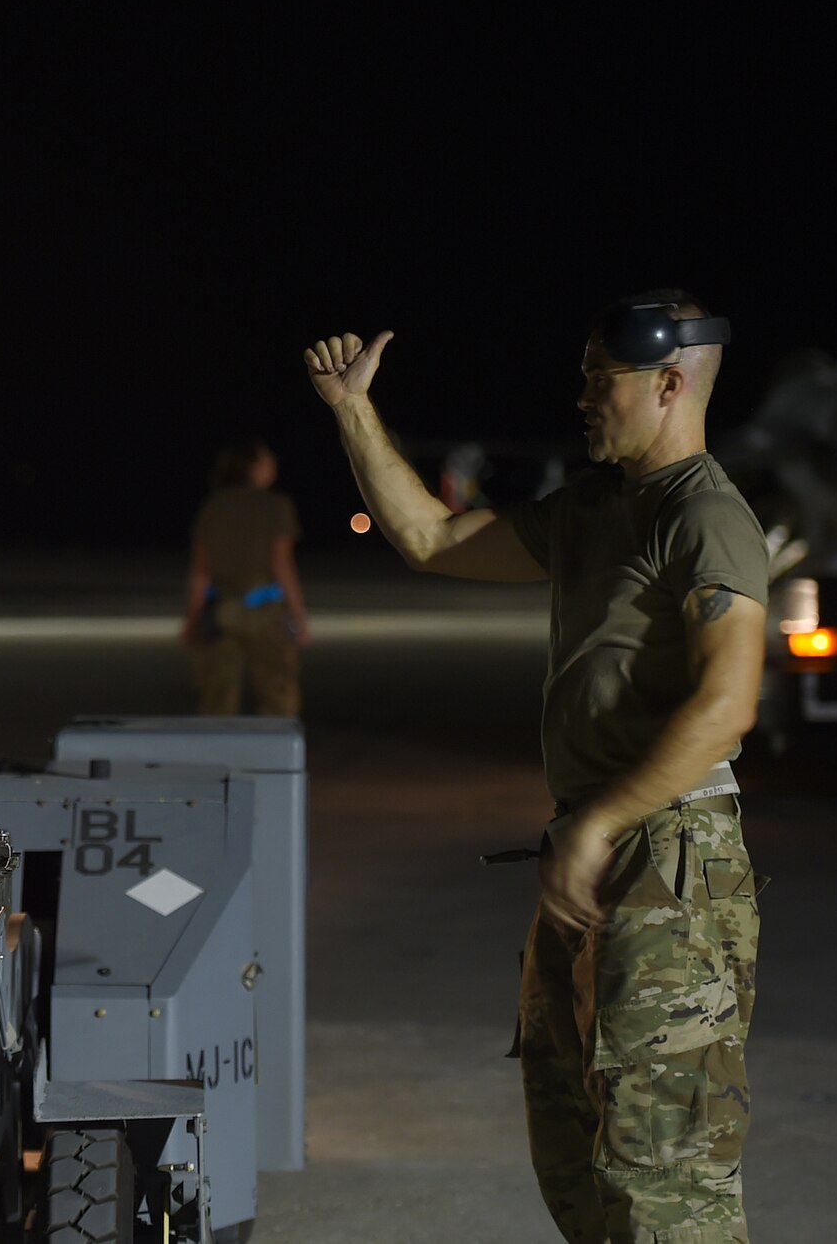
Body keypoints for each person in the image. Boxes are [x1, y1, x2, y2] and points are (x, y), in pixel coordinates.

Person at [303, 291, 767, 1244]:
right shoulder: (595, 508)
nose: (584, 397)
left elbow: (729, 702)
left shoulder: (705, 515)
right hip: (594, 845)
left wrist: (601, 825)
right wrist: (354, 410)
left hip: (669, 855)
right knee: (574, 1148)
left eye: (604, 379)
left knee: (665, 1177)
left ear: (670, 383)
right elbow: (431, 539)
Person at [180, 438, 309, 715]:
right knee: (278, 696)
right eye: (267, 459)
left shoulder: (213, 506)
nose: (273, 464)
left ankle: (218, 756)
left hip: (221, 612)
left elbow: (201, 572)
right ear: (251, 467)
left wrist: (191, 619)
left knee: (217, 701)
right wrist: (299, 616)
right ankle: (275, 756)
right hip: (266, 612)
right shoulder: (276, 505)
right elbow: (282, 565)